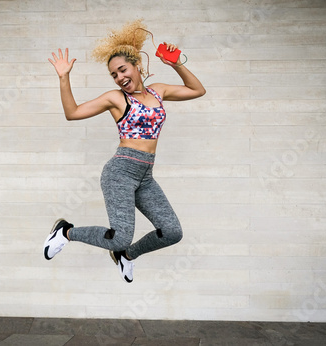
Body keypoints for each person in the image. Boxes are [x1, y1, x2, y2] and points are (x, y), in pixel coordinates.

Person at [44, 19, 205, 283]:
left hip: (145, 176)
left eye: (122, 70)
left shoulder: (159, 91)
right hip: (120, 173)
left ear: (137, 66)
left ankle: (127, 256)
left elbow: (197, 90)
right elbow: (72, 113)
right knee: (119, 236)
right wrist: (64, 78)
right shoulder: (117, 98)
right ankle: (65, 232)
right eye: (114, 75)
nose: (120, 78)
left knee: (172, 232)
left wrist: (176, 64)